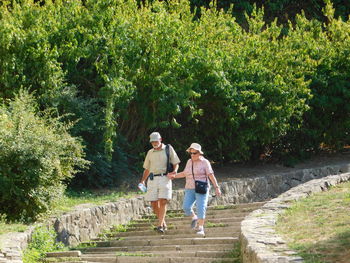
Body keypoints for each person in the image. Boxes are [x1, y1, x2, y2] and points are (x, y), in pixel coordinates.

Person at [168, 143, 221, 236]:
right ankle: (194, 217)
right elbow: (185, 173)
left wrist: (217, 187)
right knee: (186, 207)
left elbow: (211, 175)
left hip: (201, 188)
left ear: (199, 153)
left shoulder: (205, 162)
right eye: (191, 153)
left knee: (201, 207)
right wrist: (174, 176)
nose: (192, 155)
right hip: (189, 187)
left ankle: (201, 228)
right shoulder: (189, 162)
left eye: (194, 153)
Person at [140, 132, 180, 233]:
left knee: (163, 201)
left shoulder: (168, 149)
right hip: (152, 179)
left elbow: (176, 163)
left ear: (160, 139)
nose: (154, 143)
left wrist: (175, 171)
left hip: (165, 177)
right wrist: (143, 180)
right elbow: (147, 169)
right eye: (152, 141)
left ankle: (160, 225)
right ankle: (162, 222)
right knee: (153, 203)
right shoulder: (150, 152)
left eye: (156, 141)